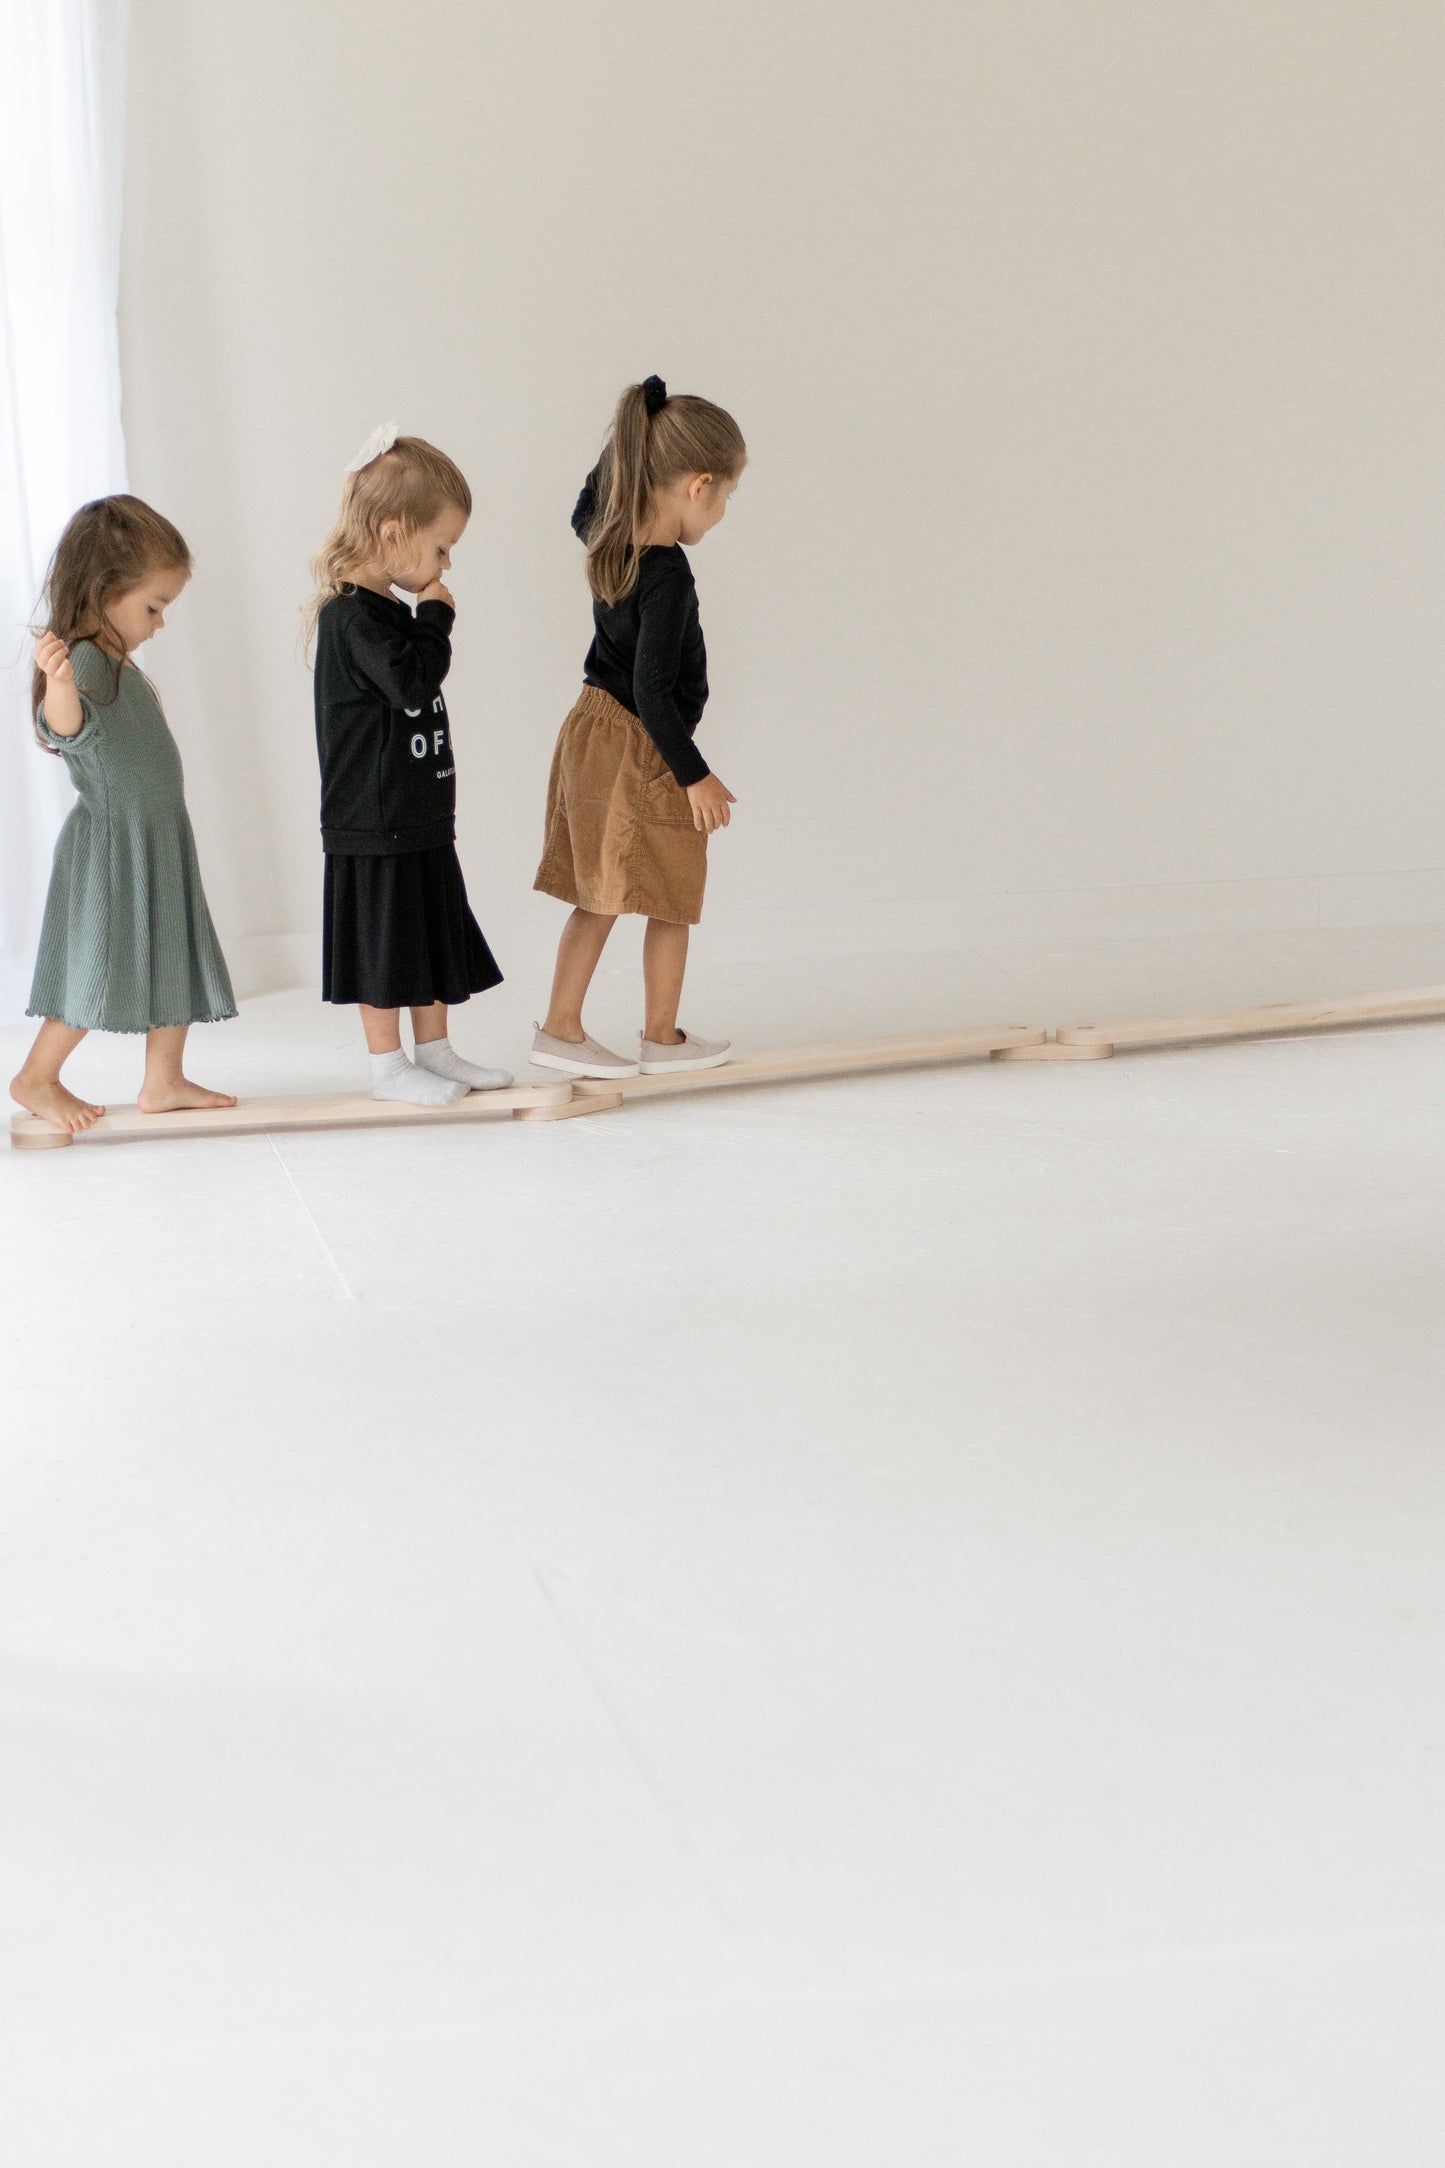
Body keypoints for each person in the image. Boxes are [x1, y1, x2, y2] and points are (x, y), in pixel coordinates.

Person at [532, 375, 745, 1079]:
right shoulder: (664, 576)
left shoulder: (607, 536)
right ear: (696, 484)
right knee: (667, 892)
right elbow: (654, 694)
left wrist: (633, 430)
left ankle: (594, 1029)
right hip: (637, 740)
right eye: (724, 499)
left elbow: (587, 499)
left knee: (611, 890)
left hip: (595, 730)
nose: (720, 515)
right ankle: (641, 1036)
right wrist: (696, 776)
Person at [10, 496, 237, 1134]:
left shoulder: (119, 667)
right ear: (106, 591)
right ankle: (36, 1077)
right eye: (154, 606)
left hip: (158, 840)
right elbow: (65, 729)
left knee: (174, 954)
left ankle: (163, 1079)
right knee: (100, 966)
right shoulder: (82, 663)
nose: (160, 623)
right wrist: (56, 682)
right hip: (115, 846)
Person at [308, 425, 510, 1106]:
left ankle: (436, 1051)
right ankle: (387, 1066)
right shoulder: (352, 619)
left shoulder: (388, 611)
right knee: (385, 945)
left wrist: (420, 617)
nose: (445, 566)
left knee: (428, 933)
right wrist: (436, 620)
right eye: (441, 547)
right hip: (373, 819)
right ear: (392, 533)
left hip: (418, 813)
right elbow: (409, 683)